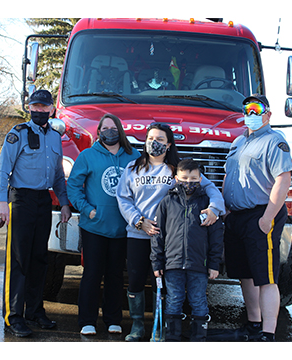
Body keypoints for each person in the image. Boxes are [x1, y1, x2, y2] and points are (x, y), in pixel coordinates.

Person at [116, 122, 225, 341]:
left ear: (169, 145)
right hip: (138, 234)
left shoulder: (178, 170)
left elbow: (211, 189)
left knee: (163, 282)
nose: (153, 143)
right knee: (136, 281)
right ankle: (137, 327)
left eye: (160, 140)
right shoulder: (132, 168)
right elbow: (123, 198)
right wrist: (139, 221)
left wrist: (214, 209)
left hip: (169, 238)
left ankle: (160, 329)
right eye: (150, 138)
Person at [0, 89, 71, 337]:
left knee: (40, 258)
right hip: (21, 200)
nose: (39, 110)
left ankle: (35, 311)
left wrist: (66, 203)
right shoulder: (17, 135)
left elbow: (59, 176)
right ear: (29, 108)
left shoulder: (56, 138)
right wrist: (1, 203)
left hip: (43, 200)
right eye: (35, 106)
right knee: (18, 259)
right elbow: (2, 171)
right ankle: (13, 316)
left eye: (43, 107)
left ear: (51, 109)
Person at [223, 94, 292, 342]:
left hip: (261, 215)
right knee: (246, 274)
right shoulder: (239, 142)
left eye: (256, 109)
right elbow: (229, 177)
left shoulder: (275, 142)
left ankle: (268, 332)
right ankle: (253, 324)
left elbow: (283, 179)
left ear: (268, 114)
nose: (250, 114)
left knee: (266, 277)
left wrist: (267, 218)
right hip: (237, 218)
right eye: (247, 109)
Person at [67, 114, 140, 336]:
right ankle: (87, 320)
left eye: (113, 127)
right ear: (98, 132)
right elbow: (73, 186)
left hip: (122, 228)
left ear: (120, 130)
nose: (110, 131)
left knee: (116, 275)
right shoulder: (88, 156)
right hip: (94, 228)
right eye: (105, 128)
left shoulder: (133, 156)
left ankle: (113, 319)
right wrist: (86, 209)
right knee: (92, 274)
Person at [151, 159, 224, 341]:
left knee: (198, 300)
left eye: (193, 179)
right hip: (173, 264)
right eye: (184, 178)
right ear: (176, 178)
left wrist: (214, 264)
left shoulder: (208, 205)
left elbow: (216, 238)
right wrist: (156, 262)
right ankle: (172, 337)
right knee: (174, 299)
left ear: (200, 179)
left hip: (198, 264)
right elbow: (158, 234)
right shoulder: (167, 202)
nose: (188, 183)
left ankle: (199, 338)